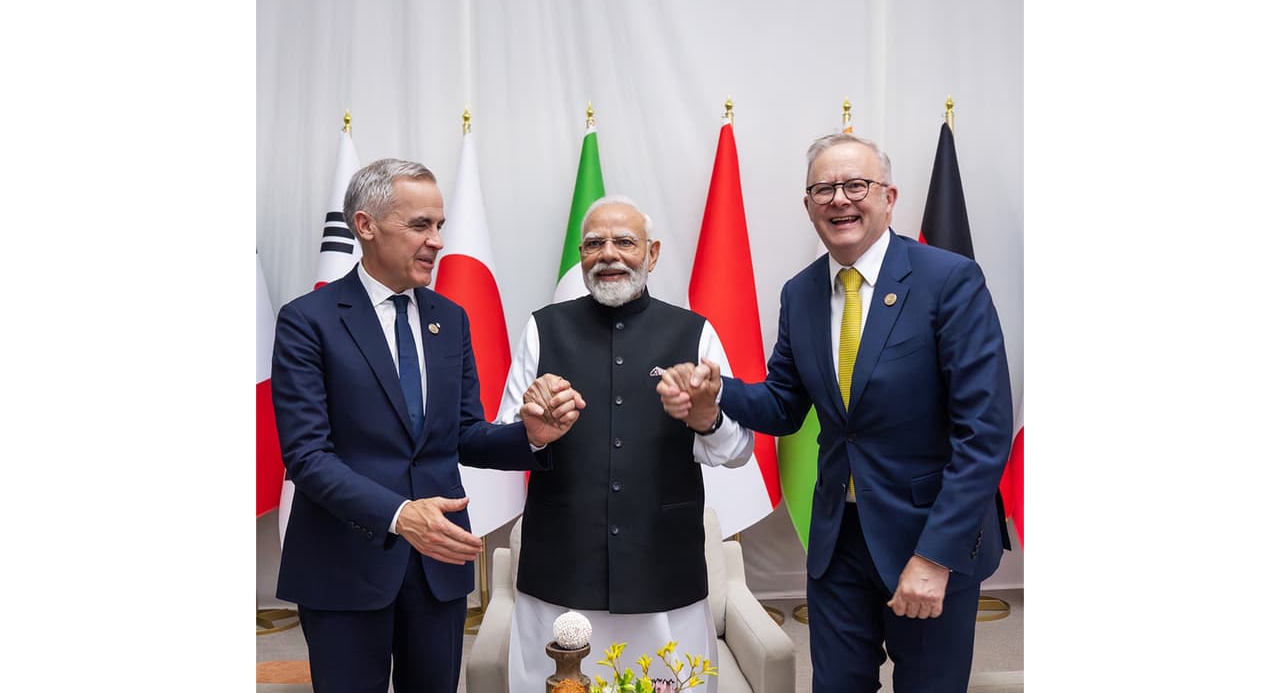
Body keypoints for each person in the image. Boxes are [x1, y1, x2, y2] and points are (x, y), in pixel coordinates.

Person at [658, 134, 1013, 693]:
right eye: (824, 188)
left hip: (927, 536)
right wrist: (717, 391)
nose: (839, 199)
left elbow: (984, 436)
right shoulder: (800, 293)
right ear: (808, 205)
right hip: (838, 540)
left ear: (889, 197)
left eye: (856, 185)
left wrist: (935, 557)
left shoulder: (949, 281)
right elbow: (783, 404)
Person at [271, 157, 586, 693]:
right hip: (343, 567)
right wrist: (398, 515)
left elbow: (462, 433)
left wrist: (532, 435)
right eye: (420, 225)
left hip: (437, 570)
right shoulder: (308, 321)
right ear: (365, 226)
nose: (437, 240)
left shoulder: (450, 318)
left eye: (439, 225)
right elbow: (307, 456)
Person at [498, 195, 754, 693]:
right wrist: (533, 427)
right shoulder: (543, 327)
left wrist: (706, 418)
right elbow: (509, 437)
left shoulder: (694, 332)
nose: (608, 254)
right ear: (581, 254)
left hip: (662, 567)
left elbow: (736, 450)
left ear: (653, 254)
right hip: (561, 567)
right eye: (594, 243)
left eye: (624, 242)